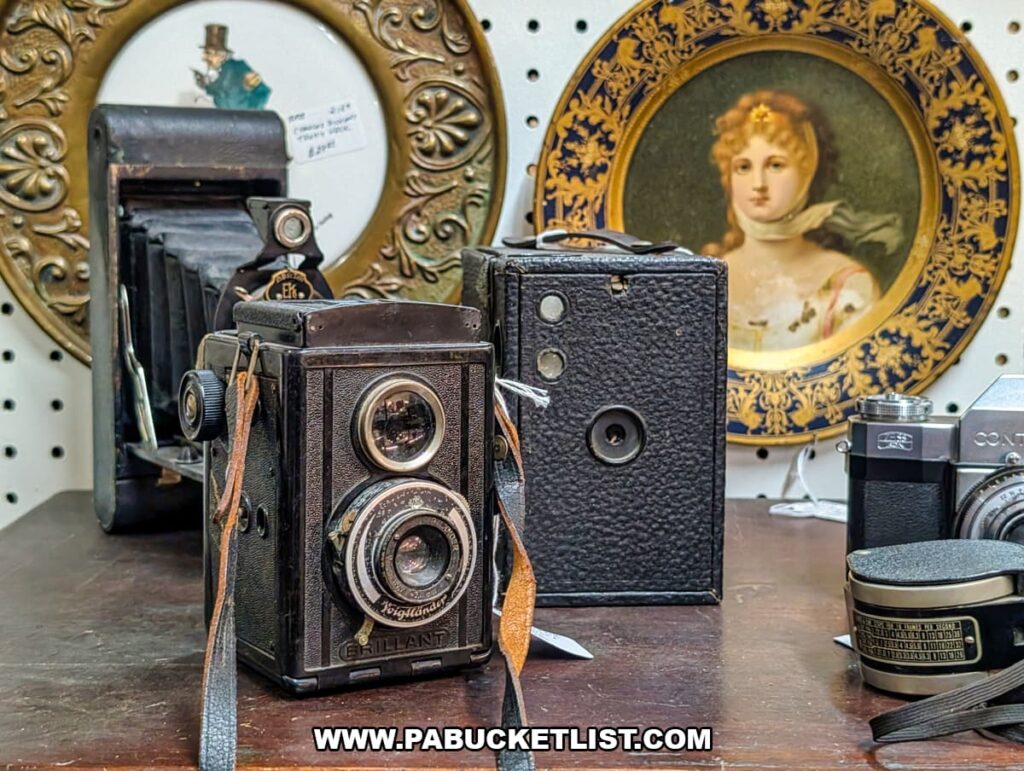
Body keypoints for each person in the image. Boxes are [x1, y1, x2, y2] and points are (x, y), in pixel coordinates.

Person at [703, 90, 902, 352]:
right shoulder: (702, 281)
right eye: (743, 167)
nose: (758, 183)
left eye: (776, 165)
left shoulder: (847, 285)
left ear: (806, 172)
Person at [193, 24, 271, 110]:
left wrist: (252, 112)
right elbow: (216, 92)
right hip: (224, 116)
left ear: (221, 55)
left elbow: (264, 92)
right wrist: (205, 85)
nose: (204, 58)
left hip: (243, 116)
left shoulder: (239, 69)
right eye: (205, 54)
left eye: (208, 53)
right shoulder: (216, 73)